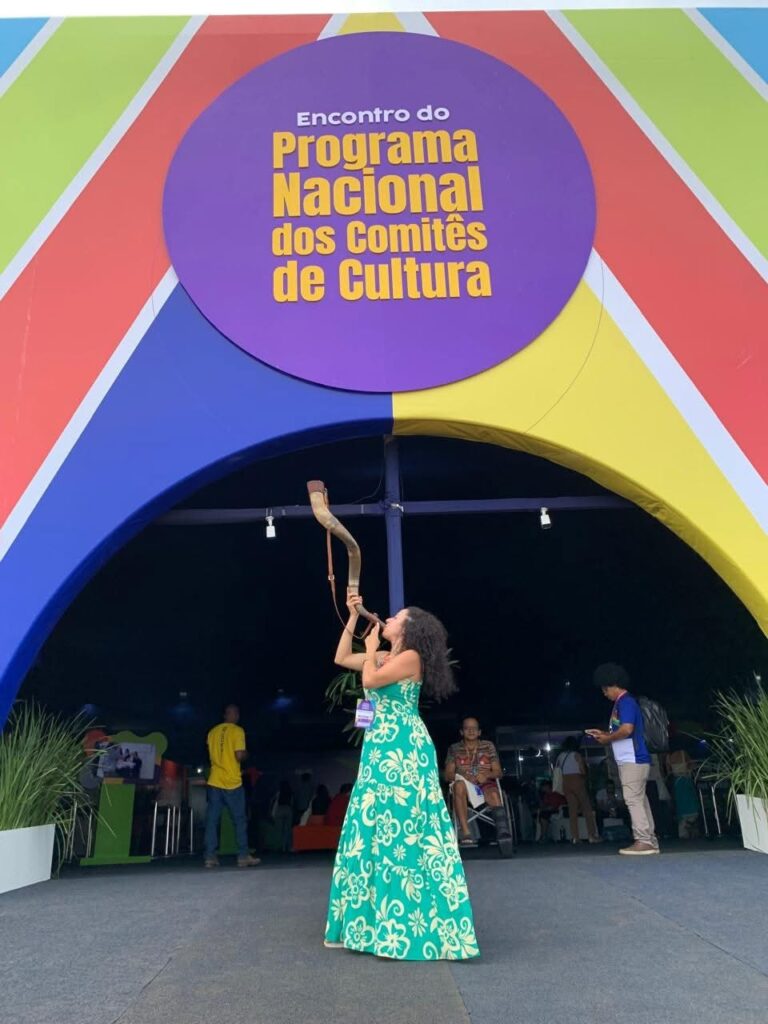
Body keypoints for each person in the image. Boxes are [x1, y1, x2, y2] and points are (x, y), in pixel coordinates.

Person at [324, 592, 479, 960]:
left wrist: (370, 649)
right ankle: (367, 927)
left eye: (396, 617)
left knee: (401, 830)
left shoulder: (410, 658)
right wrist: (352, 617)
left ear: (409, 629)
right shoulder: (386, 656)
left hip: (404, 750)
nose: (388, 619)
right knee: (372, 828)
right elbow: (341, 658)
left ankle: (406, 927)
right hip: (380, 748)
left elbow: (371, 681)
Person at [587, 664, 659, 855]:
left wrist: (607, 739)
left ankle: (643, 840)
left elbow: (627, 729)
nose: (604, 693)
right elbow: (623, 730)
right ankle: (650, 840)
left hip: (632, 759)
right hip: (634, 759)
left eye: (605, 689)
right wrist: (605, 734)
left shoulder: (625, 702)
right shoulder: (624, 703)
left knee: (632, 799)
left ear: (614, 684)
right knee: (640, 799)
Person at [444, 717, 514, 855]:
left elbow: (498, 772)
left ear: (479, 732)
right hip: (464, 786)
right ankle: (466, 833)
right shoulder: (454, 748)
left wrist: (486, 775)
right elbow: (448, 775)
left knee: (494, 794)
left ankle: (503, 834)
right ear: (461, 732)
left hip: (485, 783)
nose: (471, 731)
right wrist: (463, 776)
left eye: (474, 728)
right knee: (458, 785)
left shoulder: (488, 746)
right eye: (467, 728)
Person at [204, 704, 260, 868]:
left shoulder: (212, 732)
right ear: (234, 715)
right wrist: (247, 754)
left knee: (212, 820)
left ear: (224, 715)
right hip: (232, 782)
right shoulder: (237, 731)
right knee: (239, 820)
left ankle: (210, 857)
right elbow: (239, 755)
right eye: (237, 714)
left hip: (215, 781)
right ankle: (243, 856)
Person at [554, 735, 600, 844]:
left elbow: (557, 769)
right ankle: (591, 835)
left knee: (572, 810)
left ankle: (575, 837)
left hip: (565, 782)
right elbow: (582, 770)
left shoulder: (560, 756)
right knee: (587, 808)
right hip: (577, 780)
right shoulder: (576, 755)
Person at [270, 780, 295, 852]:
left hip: (279, 810)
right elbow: (292, 802)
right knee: (287, 829)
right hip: (288, 809)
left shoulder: (279, 792)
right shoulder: (290, 793)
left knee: (279, 830)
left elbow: (272, 801)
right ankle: (287, 847)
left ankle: (279, 846)